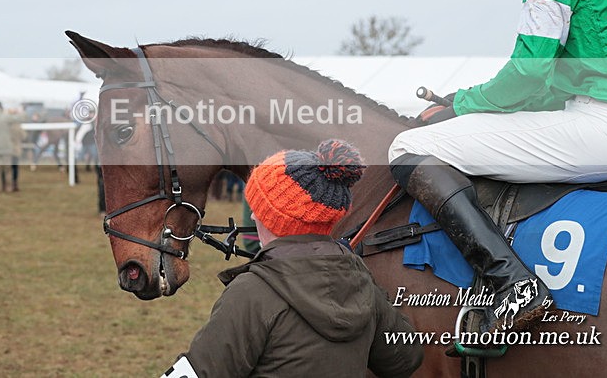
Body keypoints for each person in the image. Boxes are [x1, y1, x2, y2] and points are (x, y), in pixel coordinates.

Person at [388, 0, 607, 334]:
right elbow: (557, 76)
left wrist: (462, 104)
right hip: (595, 111)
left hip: (604, 124)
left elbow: (530, 73)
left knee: (407, 146)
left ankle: (513, 283)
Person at [164, 140, 423, 378]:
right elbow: (405, 359)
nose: (252, 216)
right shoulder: (362, 281)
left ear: (274, 219)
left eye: (258, 208)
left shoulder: (253, 292)